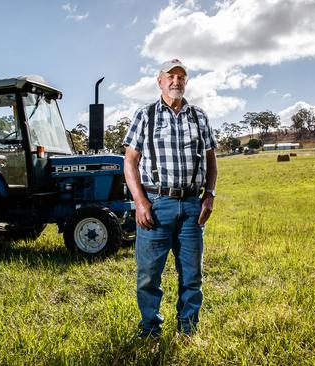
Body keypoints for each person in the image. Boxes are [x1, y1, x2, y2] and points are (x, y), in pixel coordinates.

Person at [123, 59, 218, 338]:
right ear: (160, 81)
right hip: (156, 204)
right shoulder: (146, 115)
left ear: (186, 82)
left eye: (181, 77)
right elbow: (130, 162)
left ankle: (187, 331)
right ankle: (150, 330)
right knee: (148, 276)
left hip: (192, 205)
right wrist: (140, 202)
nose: (176, 81)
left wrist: (209, 196)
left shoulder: (199, 117)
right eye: (170, 76)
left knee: (191, 276)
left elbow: (212, 161)